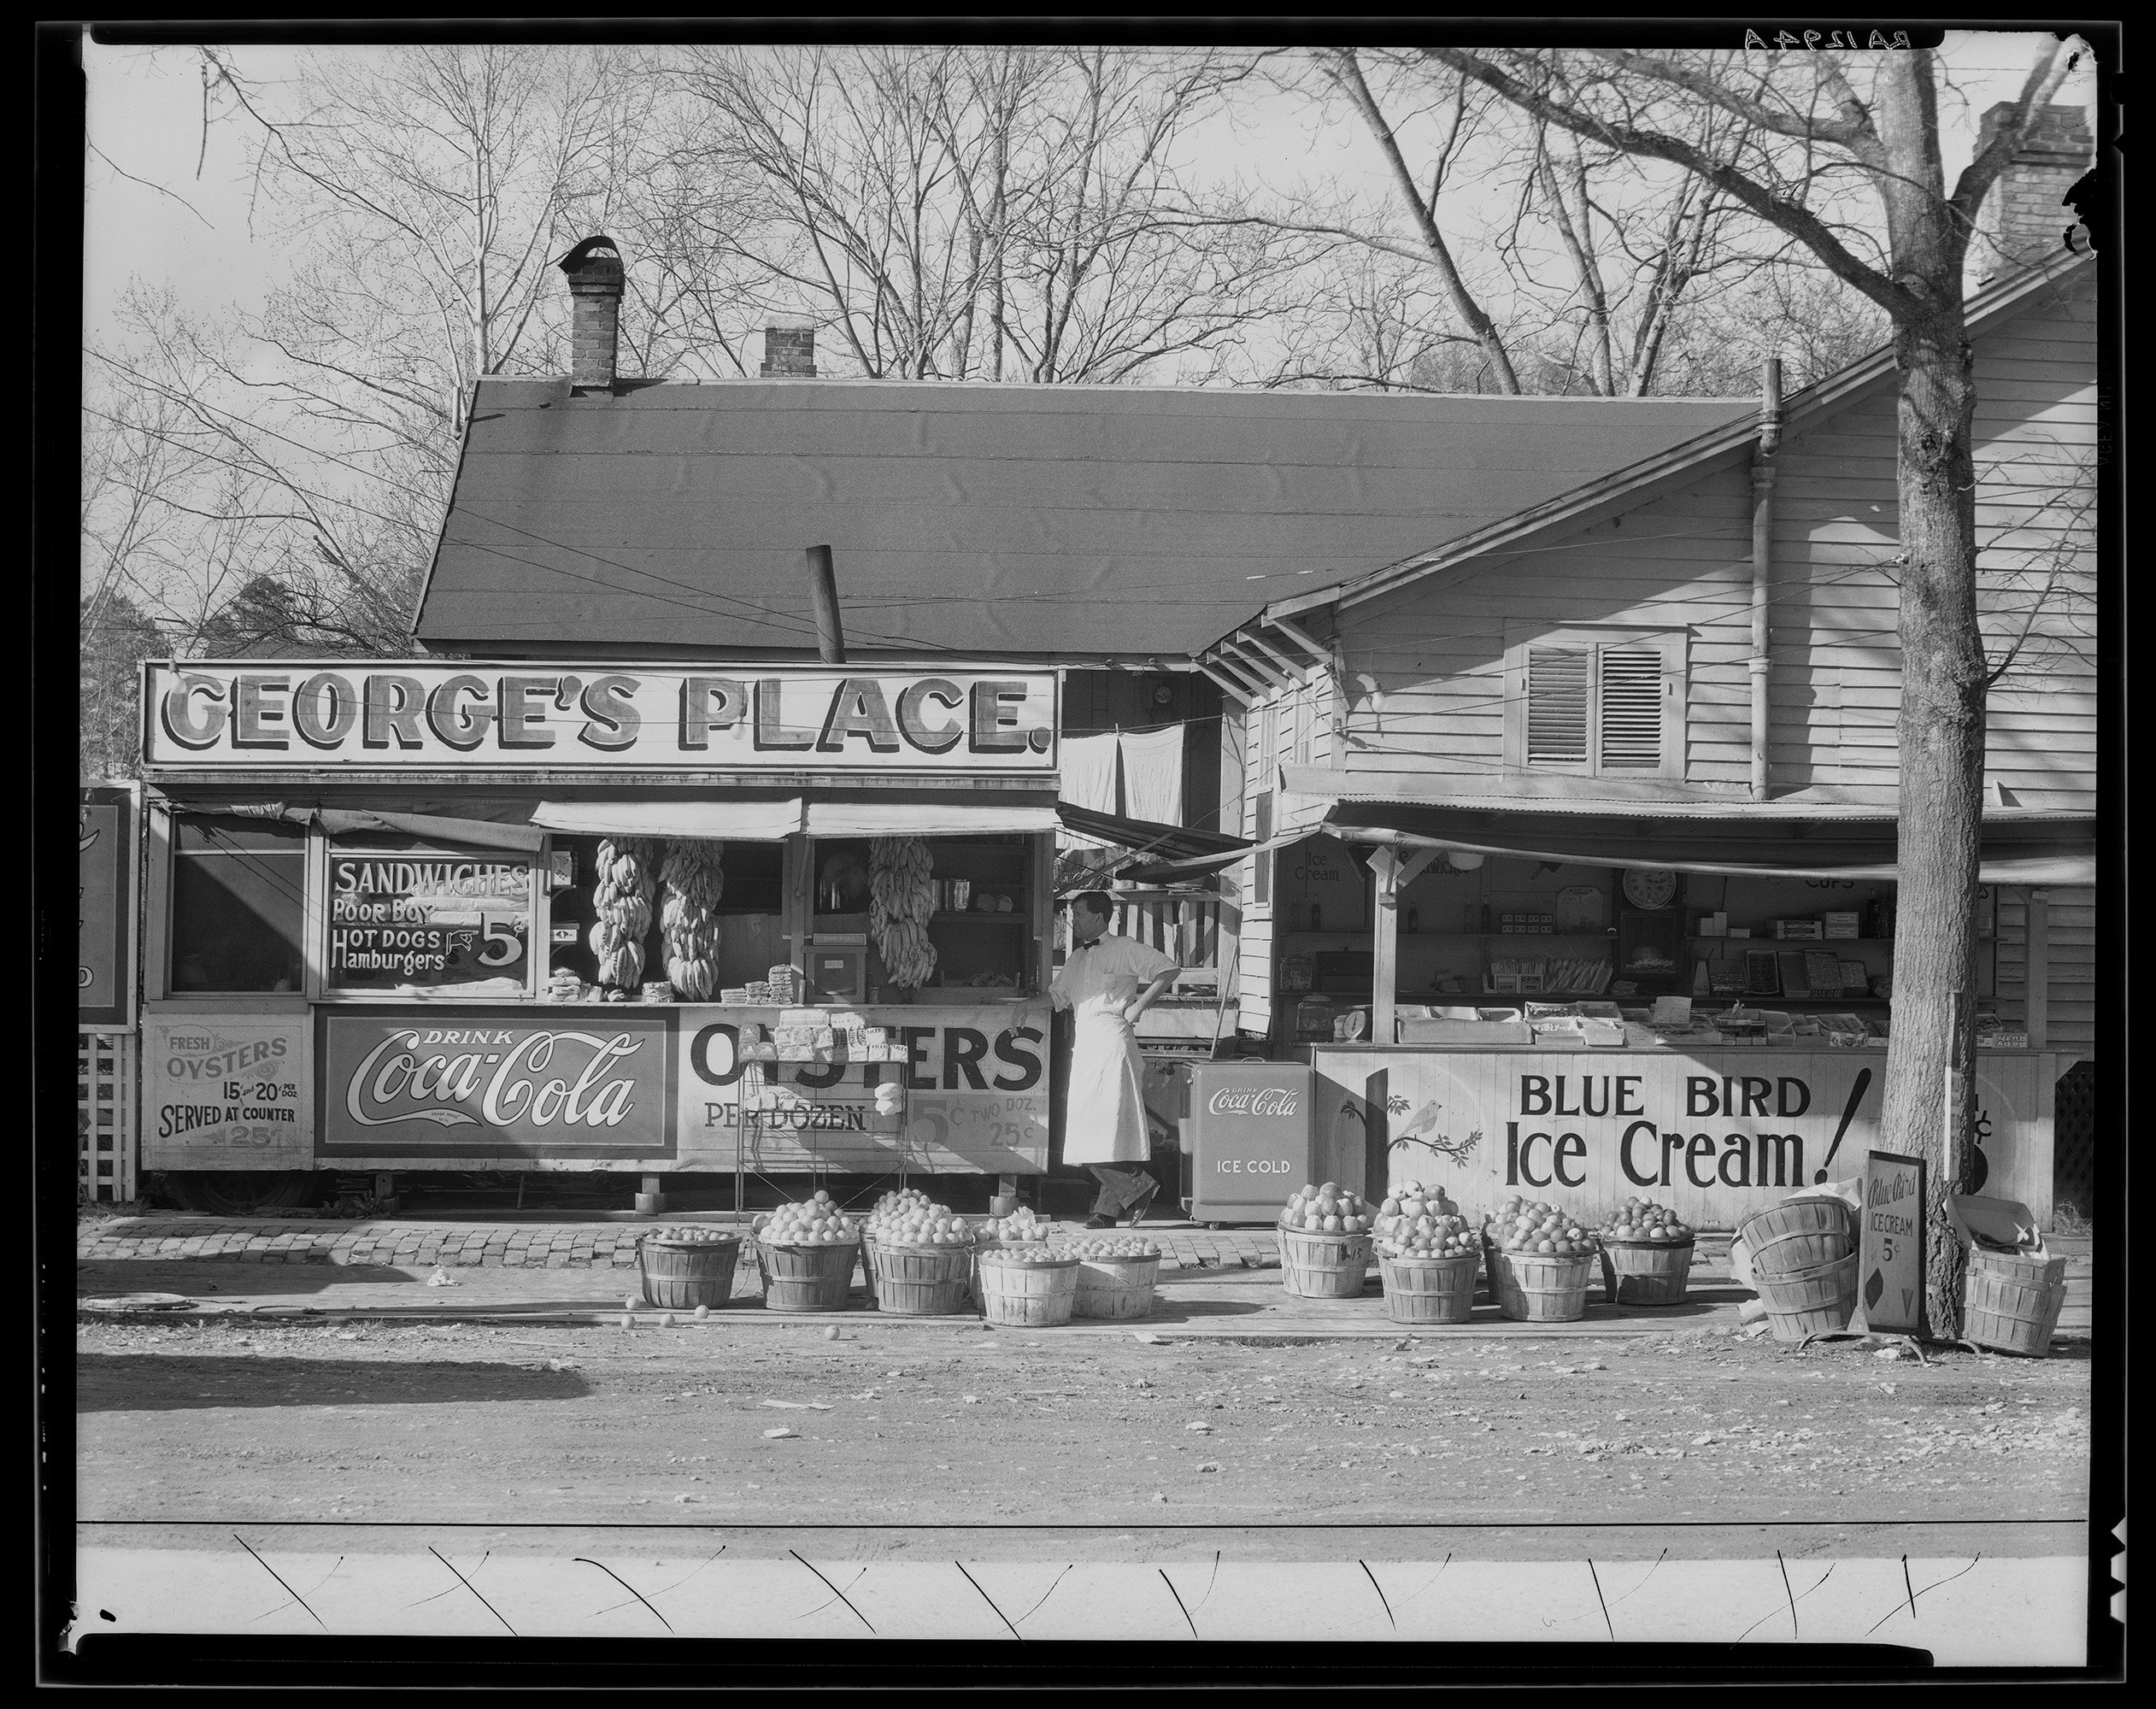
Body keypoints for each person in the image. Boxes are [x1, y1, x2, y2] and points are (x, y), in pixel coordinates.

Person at [1049, 890, 1181, 1229]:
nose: (1074, 921)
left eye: (1079, 914)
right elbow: (1056, 996)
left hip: (1112, 1043)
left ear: (1098, 917)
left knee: (1097, 1128)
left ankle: (1137, 1187)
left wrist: (1139, 1006)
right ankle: (1109, 1210)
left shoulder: (1124, 948)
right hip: (1086, 1046)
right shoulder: (1076, 958)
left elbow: (1168, 970)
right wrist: (1021, 1007)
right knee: (1099, 1130)